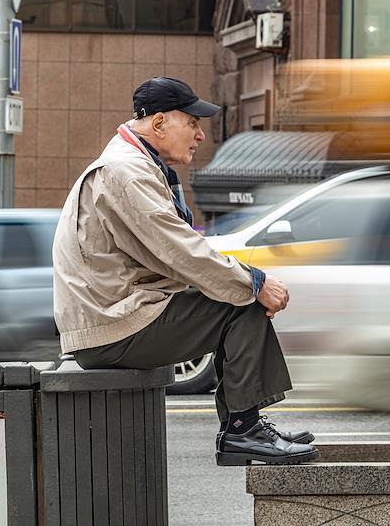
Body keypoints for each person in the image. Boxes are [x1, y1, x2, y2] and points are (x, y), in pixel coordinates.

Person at [53, 77, 318, 466]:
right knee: (240, 304)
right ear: (159, 124)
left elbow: (175, 253)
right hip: (112, 327)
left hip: (114, 318)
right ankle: (243, 430)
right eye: (192, 123)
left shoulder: (133, 164)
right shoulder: (126, 172)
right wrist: (254, 283)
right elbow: (181, 251)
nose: (199, 136)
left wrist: (240, 281)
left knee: (232, 293)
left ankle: (245, 425)